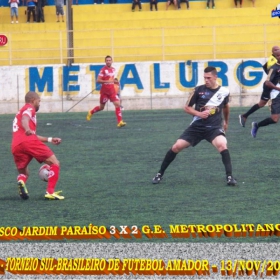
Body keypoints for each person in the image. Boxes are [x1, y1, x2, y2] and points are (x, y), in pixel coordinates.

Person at [152, 66, 237, 186]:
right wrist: (199, 114)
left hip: (213, 128)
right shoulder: (198, 90)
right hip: (197, 127)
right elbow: (187, 108)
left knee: (222, 145)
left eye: (208, 78)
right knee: (176, 147)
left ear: (215, 77)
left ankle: (230, 177)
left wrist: (226, 122)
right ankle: (159, 174)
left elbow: (226, 107)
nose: (206, 80)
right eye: (204, 78)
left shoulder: (224, 92)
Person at [11, 91, 64, 200]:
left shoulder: (19, 112)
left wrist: (49, 139)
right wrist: (27, 128)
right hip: (28, 142)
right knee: (55, 163)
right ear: (33, 100)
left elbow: (32, 134)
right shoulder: (29, 108)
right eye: (39, 101)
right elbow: (25, 119)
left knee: (24, 172)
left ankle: (21, 181)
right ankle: (50, 192)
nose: (39, 104)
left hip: (16, 145)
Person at [239, 46, 280, 127]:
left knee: (262, 104)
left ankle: (245, 116)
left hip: (274, 86)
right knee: (261, 104)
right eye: (276, 51)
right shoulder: (273, 64)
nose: (277, 51)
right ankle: (244, 116)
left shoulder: (273, 61)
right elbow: (267, 81)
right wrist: (272, 77)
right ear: (273, 54)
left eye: (278, 49)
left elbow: (264, 66)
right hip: (269, 87)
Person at [86, 56, 126, 128]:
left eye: (109, 60)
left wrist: (115, 81)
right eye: (107, 60)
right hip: (104, 92)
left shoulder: (113, 69)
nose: (108, 61)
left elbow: (112, 79)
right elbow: (98, 80)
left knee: (117, 104)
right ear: (105, 61)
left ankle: (120, 122)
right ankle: (91, 112)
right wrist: (107, 81)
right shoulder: (103, 70)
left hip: (112, 91)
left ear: (111, 61)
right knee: (101, 108)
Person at [251, 50, 280, 138]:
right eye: (278, 55)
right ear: (276, 57)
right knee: (274, 119)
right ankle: (257, 125)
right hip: (276, 95)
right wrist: (278, 88)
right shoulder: (274, 68)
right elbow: (267, 82)